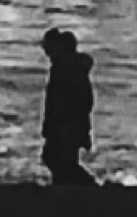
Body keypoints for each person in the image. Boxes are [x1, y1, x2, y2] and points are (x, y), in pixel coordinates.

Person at [40, 28, 98, 185]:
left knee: (60, 160)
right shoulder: (63, 69)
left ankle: (87, 186)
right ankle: (76, 188)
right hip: (65, 125)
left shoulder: (66, 70)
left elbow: (77, 101)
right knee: (58, 160)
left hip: (66, 126)